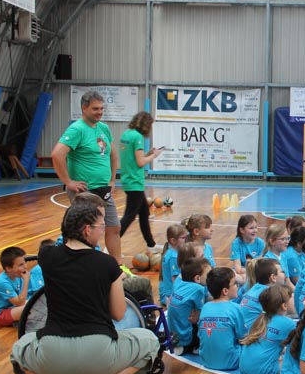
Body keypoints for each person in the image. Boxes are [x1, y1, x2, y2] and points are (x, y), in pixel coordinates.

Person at [10, 202, 160, 374]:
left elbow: (53, 251)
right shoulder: (107, 264)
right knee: (150, 342)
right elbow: (118, 313)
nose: (102, 231)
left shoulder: (47, 257)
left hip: (52, 354)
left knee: (18, 349)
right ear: (87, 230)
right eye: (101, 226)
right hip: (98, 354)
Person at [51, 91, 121, 263]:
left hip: (104, 189)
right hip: (85, 190)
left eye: (101, 109)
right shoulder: (77, 129)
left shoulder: (103, 128)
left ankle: (117, 265)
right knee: (86, 230)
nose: (99, 112)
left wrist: (112, 180)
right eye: (95, 109)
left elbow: (113, 155)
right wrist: (68, 182)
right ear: (84, 108)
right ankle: (84, 263)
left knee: (113, 227)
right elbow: (57, 154)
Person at [118, 111, 162, 250]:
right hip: (135, 181)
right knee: (129, 216)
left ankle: (151, 245)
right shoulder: (137, 137)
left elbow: (134, 157)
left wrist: (148, 153)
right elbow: (140, 162)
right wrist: (154, 156)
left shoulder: (126, 134)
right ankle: (111, 245)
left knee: (144, 214)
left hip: (127, 179)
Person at [239, 285, 297, 374]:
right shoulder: (288, 323)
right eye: (292, 297)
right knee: (298, 363)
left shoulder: (259, 319)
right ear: (284, 306)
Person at [197, 267, 246, 371]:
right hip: (231, 362)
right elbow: (243, 337)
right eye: (235, 283)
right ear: (225, 291)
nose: (237, 286)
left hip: (206, 361)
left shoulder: (205, 307)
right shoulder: (235, 308)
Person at [168, 257, 211, 355]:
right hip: (185, 335)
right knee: (208, 319)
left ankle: (181, 344)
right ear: (197, 278)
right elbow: (198, 317)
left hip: (172, 332)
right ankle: (194, 346)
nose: (210, 277)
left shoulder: (179, 282)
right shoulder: (198, 289)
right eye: (208, 275)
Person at [0, 246, 30, 326]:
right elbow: (20, 303)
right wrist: (26, 281)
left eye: (25, 263)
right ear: (9, 268)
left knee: (37, 302)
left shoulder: (18, 277)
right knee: (29, 308)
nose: (25, 267)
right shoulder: (2, 282)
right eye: (21, 265)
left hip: (12, 308)